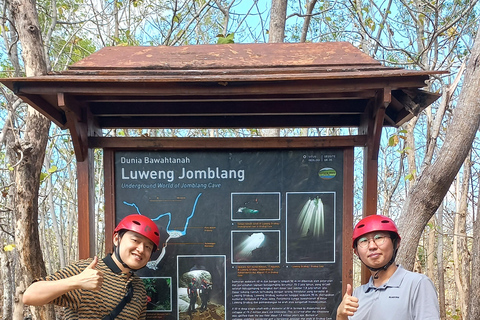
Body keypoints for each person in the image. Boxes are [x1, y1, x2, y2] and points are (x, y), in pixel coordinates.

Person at [23, 214, 160, 320]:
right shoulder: (87, 270)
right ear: (116, 239)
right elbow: (30, 295)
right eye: (135, 240)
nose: (141, 249)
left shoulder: (139, 289)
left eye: (148, 247)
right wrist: (77, 282)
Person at [336, 214, 440, 320]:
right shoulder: (358, 294)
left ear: (396, 243)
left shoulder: (417, 284)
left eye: (379, 237)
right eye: (363, 241)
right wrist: (340, 315)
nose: (372, 246)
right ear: (356, 252)